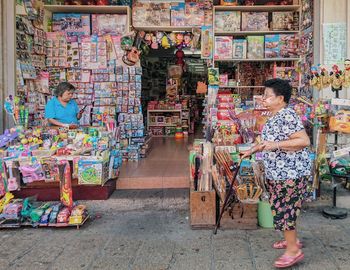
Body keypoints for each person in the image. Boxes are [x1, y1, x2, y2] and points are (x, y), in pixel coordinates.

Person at [241, 78, 311, 269]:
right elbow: (266, 142)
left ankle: (292, 251)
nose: (263, 99)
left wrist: (276, 145)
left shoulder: (287, 115)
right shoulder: (274, 116)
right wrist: (252, 150)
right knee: (284, 209)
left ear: (280, 98)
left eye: (267, 96)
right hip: (280, 173)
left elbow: (303, 140)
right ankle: (292, 241)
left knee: (285, 210)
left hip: (290, 173)